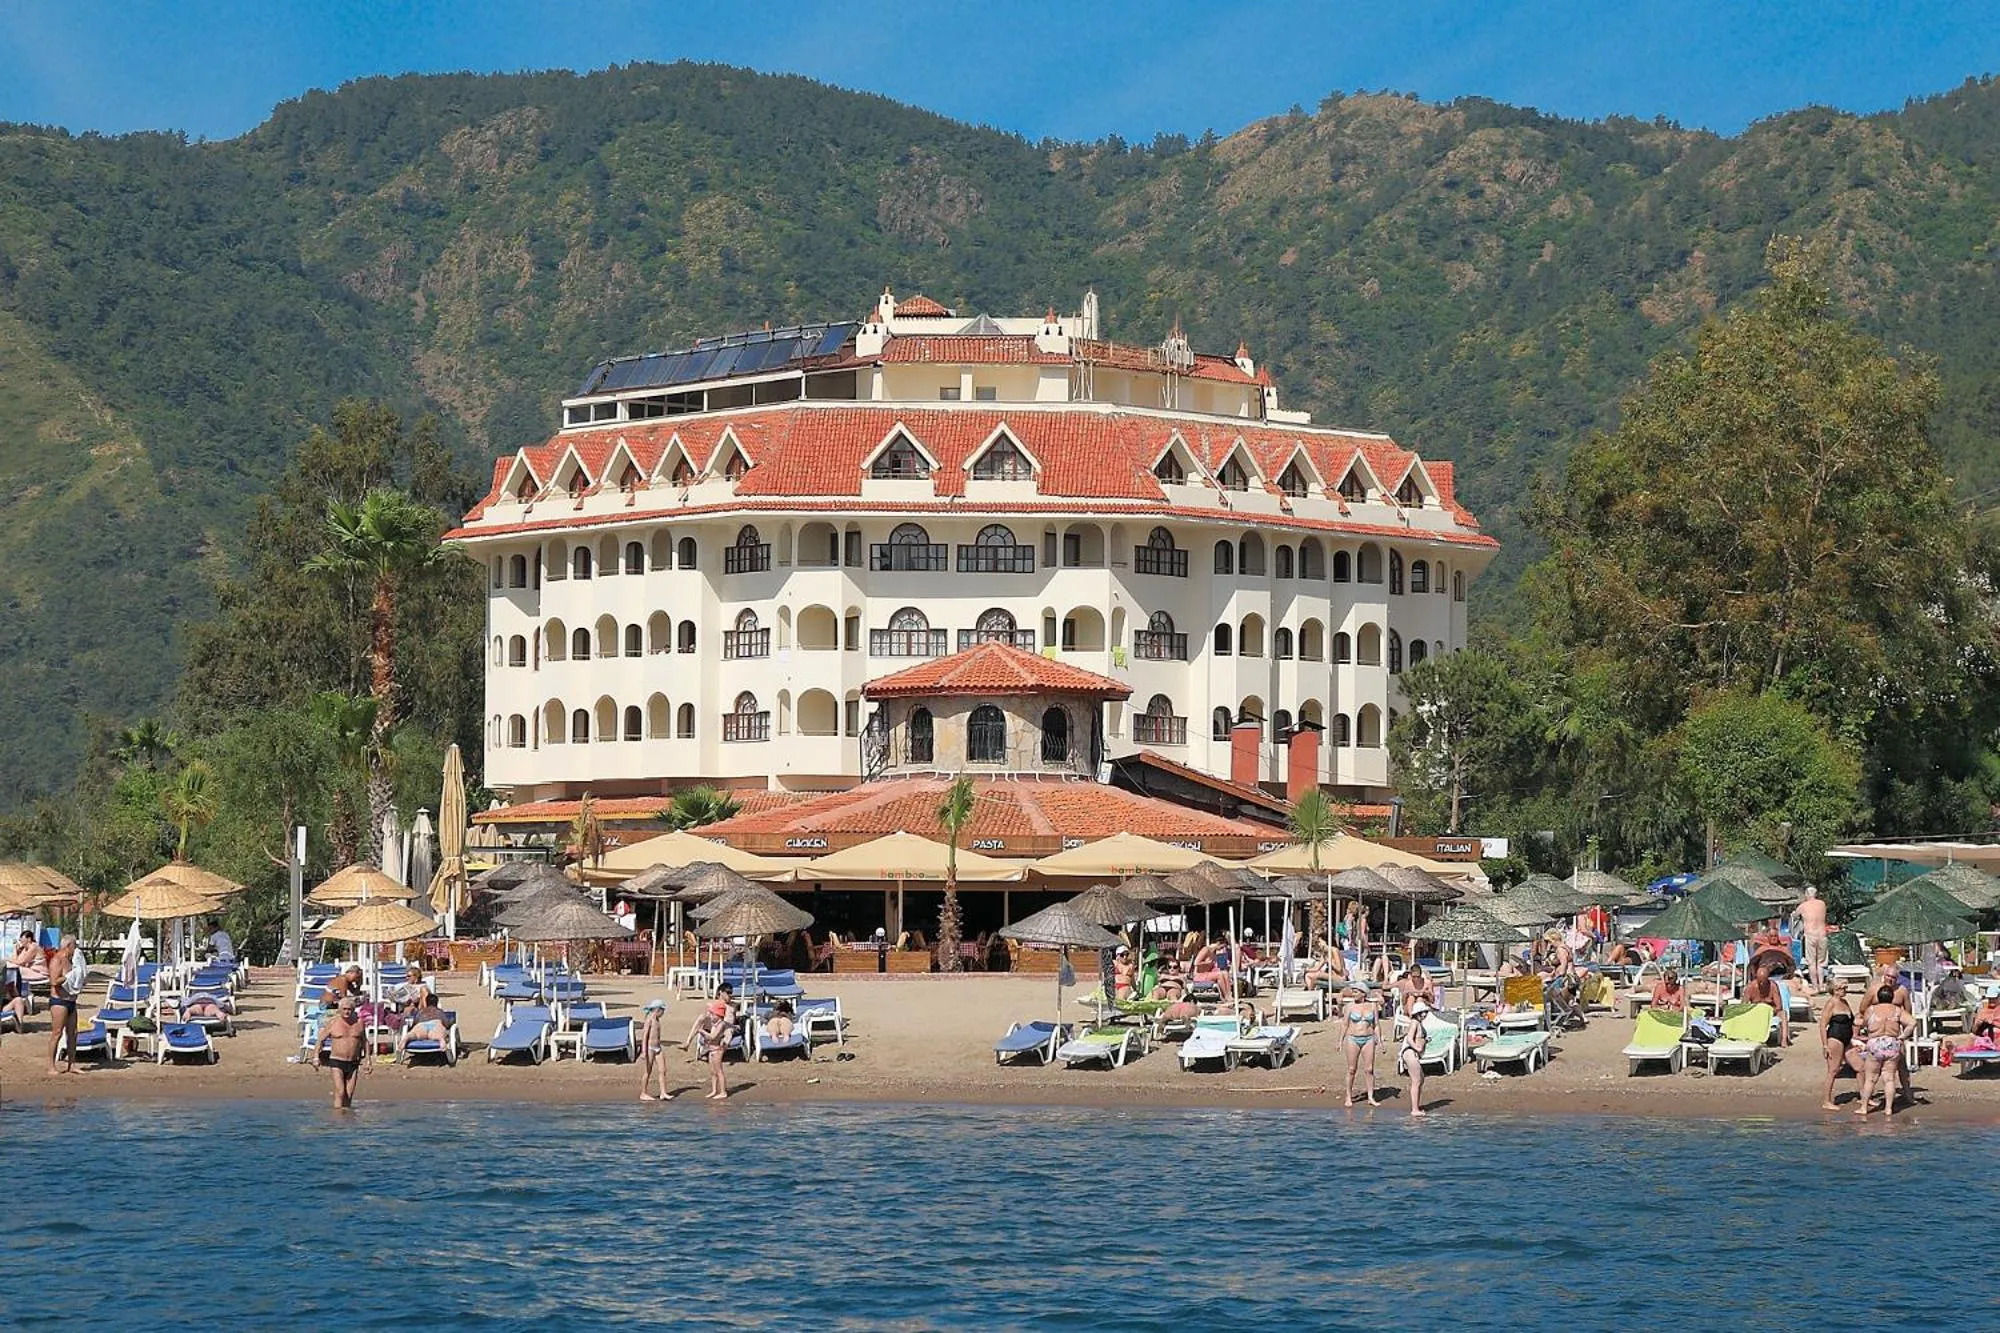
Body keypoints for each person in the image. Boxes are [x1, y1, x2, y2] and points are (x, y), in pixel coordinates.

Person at [1855, 983, 1913, 1119]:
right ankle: (1888, 1109)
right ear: (1892, 997)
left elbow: (1863, 1023)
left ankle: (1864, 1107)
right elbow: (1912, 1023)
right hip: (1892, 1044)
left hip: (1875, 1043)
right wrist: (1903, 1036)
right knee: (1889, 1079)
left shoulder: (1872, 1009)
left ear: (1878, 997)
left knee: (1870, 1079)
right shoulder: (1897, 1010)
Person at [686, 983, 737, 1101]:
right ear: (721, 992)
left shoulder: (732, 1007)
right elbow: (709, 1020)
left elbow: (728, 1023)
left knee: (718, 1070)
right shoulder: (712, 1005)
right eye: (728, 992)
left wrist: (702, 1032)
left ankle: (723, 1091)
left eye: (731, 993)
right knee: (712, 1070)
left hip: (724, 1032)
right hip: (714, 1033)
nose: (730, 995)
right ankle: (714, 1090)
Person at [317, 996, 369, 1110]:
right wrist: (316, 1056)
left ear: (353, 1010)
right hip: (336, 1061)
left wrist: (368, 1061)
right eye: (344, 1009)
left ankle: (347, 1121)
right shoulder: (333, 1023)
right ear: (340, 1010)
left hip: (353, 1062)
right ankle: (338, 1118)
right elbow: (321, 1039)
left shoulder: (359, 1023)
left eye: (349, 1009)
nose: (347, 1012)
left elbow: (365, 1042)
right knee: (340, 1091)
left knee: (349, 1095)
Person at [45, 934, 82, 1076]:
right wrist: (68, 976)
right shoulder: (57, 960)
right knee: (57, 1033)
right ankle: (51, 1066)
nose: (75, 949)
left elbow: (75, 978)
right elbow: (54, 981)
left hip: (71, 1001)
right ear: (68, 946)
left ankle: (72, 1064)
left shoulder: (70, 960)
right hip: (59, 1001)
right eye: (74, 946)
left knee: (73, 1033)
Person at [1339, 983, 1379, 1108]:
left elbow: (1376, 1024)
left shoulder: (1372, 1006)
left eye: (1356, 992)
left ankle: (1371, 1097)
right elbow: (1345, 1024)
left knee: (1369, 1069)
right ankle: (1348, 1096)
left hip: (1369, 1038)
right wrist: (1340, 1040)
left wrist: (1380, 1040)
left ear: (1363, 993)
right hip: (1353, 1038)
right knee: (1352, 1069)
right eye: (1353, 991)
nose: (1353, 994)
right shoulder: (1349, 1006)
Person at [1819, 980, 1856, 1110]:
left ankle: (1864, 1097)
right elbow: (1823, 1024)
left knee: (1861, 1067)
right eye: (1842, 988)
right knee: (1833, 1070)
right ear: (1835, 990)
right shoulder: (1831, 1004)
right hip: (1835, 1039)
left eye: (1846, 987)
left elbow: (1853, 1022)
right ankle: (1827, 1101)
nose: (1845, 989)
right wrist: (1825, 1045)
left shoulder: (1845, 1002)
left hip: (1847, 1039)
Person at [1400, 994, 1432, 1118]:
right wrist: (1417, 1047)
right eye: (1422, 1012)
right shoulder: (1414, 1023)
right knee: (1416, 1080)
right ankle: (1414, 1109)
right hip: (1410, 1052)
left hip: (1413, 1053)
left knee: (1420, 1079)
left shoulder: (1419, 1023)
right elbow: (1409, 1038)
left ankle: (1416, 1106)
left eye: (1425, 1012)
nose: (1424, 1015)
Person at [395, 992, 451, 1060]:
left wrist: (412, 1030)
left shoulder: (421, 1011)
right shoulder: (439, 1011)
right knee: (438, 1034)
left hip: (421, 1025)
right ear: (436, 1003)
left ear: (426, 1002)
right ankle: (441, 1040)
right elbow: (446, 1024)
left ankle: (407, 1037)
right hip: (436, 1023)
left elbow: (415, 1023)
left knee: (414, 1034)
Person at [1743, 963, 1789, 1045]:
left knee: (1783, 1013)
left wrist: (1769, 1011)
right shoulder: (1750, 987)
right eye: (1760, 981)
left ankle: (1784, 1040)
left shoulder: (1773, 986)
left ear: (1767, 979)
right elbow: (1743, 1005)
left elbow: (1779, 1006)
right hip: (1755, 1011)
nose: (1762, 984)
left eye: (1763, 981)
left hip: (1771, 1011)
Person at [1794, 886, 1830, 992]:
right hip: (1822, 935)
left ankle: (1815, 986)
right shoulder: (1822, 904)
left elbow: (1795, 916)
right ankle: (1822, 985)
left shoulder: (1803, 906)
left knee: (1811, 962)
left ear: (1806, 894)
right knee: (1821, 962)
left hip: (1810, 935)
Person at [637, 999, 673, 1102]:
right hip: (650, 1048)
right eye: (662, 1011)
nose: (663, 1013)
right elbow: (645, 1037)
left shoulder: (657, 1020)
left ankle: (663, 1092)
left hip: (658, 1047)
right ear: (658, 1009)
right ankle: (643, 1093)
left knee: (663, 1070)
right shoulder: (649, 1020)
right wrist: (644, 1052)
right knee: (648, 1071)